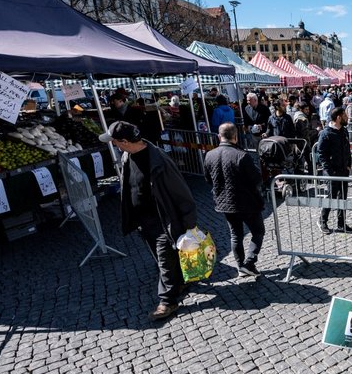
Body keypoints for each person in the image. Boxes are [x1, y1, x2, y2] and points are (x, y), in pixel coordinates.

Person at [101, 121, 197, 320]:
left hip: (164, 221)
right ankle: (179, 282)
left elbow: (182, 193)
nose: (114, 146)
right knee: (161, 257)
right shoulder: (127, 156)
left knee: (164, 260)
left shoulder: (159, 160)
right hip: (142, 220)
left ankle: (168, 301)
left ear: (125, 141)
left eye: (115, 142)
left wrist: (189, 223)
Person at [204, 122, 265, 278]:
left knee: (235, 235)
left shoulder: (209, 155)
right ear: (235, 137)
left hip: (225, 203)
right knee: (258, 231)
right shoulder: (241, 155)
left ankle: (241, 266)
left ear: (219, 136)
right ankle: (249, 263)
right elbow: (257, 179)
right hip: (247, 202)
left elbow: (208, 180)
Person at [316, 107, 352, 234]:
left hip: (343, 170)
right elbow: (321, 154)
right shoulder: (326, 133)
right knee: (331, 196)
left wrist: (349, 164)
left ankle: (341, 223)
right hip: (332, 172)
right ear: (338, 118)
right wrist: (329, 171)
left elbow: (348, 149)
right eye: (345, 116)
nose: (347, 118)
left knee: (343, 197)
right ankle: (322, 220)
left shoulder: (344, 131)